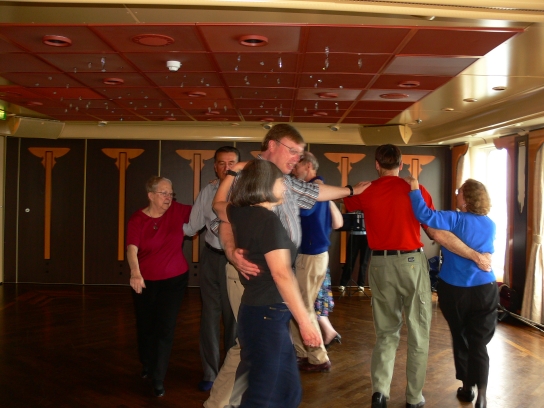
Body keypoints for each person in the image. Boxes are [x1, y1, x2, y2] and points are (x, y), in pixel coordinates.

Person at [206, 123, 370, 408]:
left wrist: (350, 189)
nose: (297, 158)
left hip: (270, 294)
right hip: (257, 279)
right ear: (272, 145)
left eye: (300, 153)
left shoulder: (277, 184)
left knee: (278, 380)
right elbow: (222, 217)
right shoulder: (249, 182)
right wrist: (231, 252)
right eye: (293, 150)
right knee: (250, 357)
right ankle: (217, 404)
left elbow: (313, 192)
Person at [343, 144, 491, 408]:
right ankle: (413, 397)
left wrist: (353, 189)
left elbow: (344, 201)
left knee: (386, 332)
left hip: (379, 265)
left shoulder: (367, 191)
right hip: (412, 263)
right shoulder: (416, 190)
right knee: (418, 332)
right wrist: (475, 255)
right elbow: (434, 232)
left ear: (377, 165)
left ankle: (380, 393)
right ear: (401, 165)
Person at [213, 159, 322, 408]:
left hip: (258, 313)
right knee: (266, 395)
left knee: (288, 392)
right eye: (281, 182)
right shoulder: (267, 221)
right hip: (267, 314)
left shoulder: (240, 211)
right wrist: (305, 323)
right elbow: (281, 274)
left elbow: (217, 204)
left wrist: (231, 174)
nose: (285, 187)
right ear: (265, 185)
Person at [407, 177, 497, 408]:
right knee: (479, 343)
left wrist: (415, 188)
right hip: (485, 289)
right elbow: (487, 254)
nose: (457, 194)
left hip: (454, 291)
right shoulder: (490, 224)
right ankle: (482, 396)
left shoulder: (454, 219)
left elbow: (423, 214)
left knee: (461, 336)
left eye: (460, 192)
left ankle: (467, 388)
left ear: (466, 199)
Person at [127, 176, 191, 398]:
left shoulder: (177, 210)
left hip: (174, 280)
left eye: (171, 193)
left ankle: (158, 377)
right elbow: (132, 249)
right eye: (164, 193)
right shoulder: (138, 219)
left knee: (165, 327)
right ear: (151, 195)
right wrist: (135, 272)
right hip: (145, 281)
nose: (168, 197)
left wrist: (217, 186)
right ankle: (147, 363)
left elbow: (205, 208)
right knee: (146, 326)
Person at [183, 146, 240, 392]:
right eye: (221, 163)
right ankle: (210, 372)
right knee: (209, 316)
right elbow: (192, 226)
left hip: (235, 262)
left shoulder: (247, 192)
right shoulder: (207, 191)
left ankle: (231, 371)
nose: (226, 167)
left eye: (231, 163)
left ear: (239, 166)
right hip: (210, 259)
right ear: (215, 167)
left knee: (233, 318)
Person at [291, 151, 344, 371]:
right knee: (298, 305)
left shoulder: (313, 190)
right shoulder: (320, 189)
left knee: (303, 307)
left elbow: (302, 213)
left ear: (308, 166)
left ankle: (319, 358)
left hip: (311, 255)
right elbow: (338, 223)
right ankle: (303, 353)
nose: (293, 170)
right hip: (314, 254)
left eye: (296, 166)